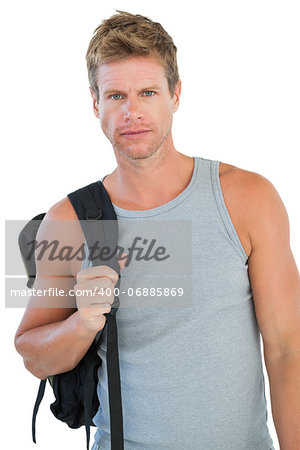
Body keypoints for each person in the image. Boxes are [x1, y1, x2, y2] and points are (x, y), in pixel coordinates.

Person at [14, 10, 300, 450]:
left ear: (176, 94)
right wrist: (82, 323)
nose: (132, 112)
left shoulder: (247, 199)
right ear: (95, 104)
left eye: (147, 92)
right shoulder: (71, 221)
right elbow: (32, 354)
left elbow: (286, 350)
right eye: (115, 96)